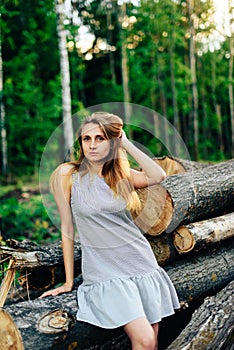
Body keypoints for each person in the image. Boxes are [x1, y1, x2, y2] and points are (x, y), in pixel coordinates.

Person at [40, 112, 180, 350]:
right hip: (105, 272)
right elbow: (67, 227)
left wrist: (124, 142)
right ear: (80, 142)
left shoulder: (121, 175)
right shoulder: (66, 175)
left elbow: (158, 175)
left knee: (152, 343)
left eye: (100, 138)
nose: (92, 145)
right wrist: (68, 281)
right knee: (144, 340)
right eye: (86, 139)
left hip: (140, 264)